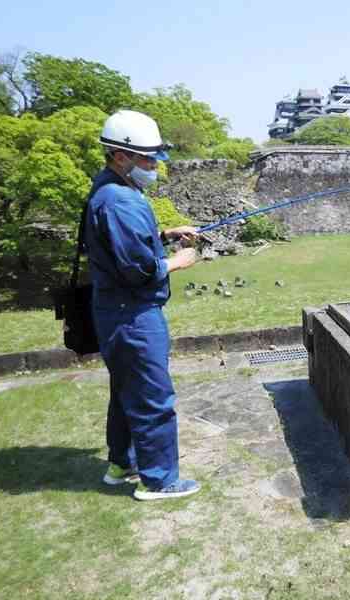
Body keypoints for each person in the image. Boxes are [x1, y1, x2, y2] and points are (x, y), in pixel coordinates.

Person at [84, 109, 200, 500]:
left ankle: (122, 463)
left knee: (126, 392)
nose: (154, 166)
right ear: (121, 156)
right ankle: (160, 480)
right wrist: (176, 261)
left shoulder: (109, 189)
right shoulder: (120, 201)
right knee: (153, 397)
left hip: (115, 313)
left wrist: (166, 233)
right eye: (148, 159)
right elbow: (137, 269)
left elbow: (122, 245)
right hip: (132, 315)